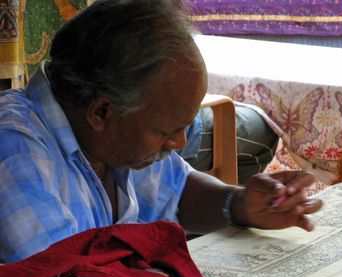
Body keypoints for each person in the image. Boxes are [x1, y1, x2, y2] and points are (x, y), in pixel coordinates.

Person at [0, 0, 322, 263]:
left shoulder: (108, 134)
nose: (180, 143)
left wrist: (237, 205)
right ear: (101, 111)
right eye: (165, 132)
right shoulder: (14, 153)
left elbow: (177, 192)